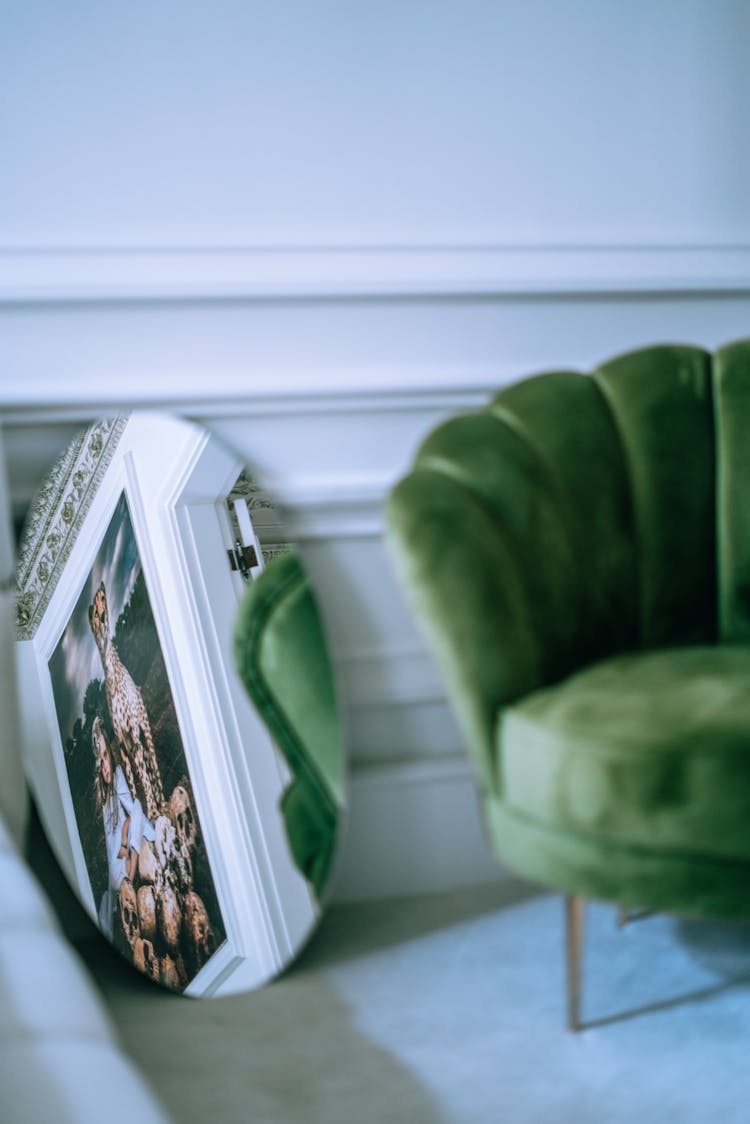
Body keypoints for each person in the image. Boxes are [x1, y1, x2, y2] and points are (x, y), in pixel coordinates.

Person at [92, 715, 155, 940]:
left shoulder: (111, 786)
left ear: (110, 750)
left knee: (134, 812)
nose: (105, 767)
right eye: (100, 762)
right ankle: (131, 883)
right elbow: (133, 808)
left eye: (106, 756)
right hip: (122, 868)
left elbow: (125, 818)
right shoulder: (108, 789)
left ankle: (127, 885)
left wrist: (126, 836)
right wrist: (152, 834)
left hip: (120, 863)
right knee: (138, 806)